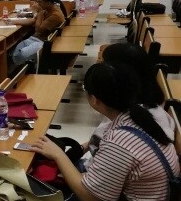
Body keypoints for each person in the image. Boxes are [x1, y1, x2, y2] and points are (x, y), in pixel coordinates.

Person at [31, 62, 179, 200]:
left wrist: (58, 155)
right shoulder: (143, 113)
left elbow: (89, 197)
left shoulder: (119, 143)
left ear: (94, 99)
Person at [81, 43, 176, 167]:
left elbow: (95, 177)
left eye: (104, 64)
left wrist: (60, 155)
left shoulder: (124, 129)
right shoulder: (145, 106)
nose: (99, 64)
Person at [10, 0, 65, 66]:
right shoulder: (47, 8)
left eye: (40, 2)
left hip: (43, 43)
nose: (37, 4)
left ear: (48, 3)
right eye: (37, 2)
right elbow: (33, 20)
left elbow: (38, 29)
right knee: (13, 53)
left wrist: (39, 12)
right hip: (34, 39)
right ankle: (21, 66)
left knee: (19, 55)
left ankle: (27, 69)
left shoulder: (55, 15)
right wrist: (12, 22)